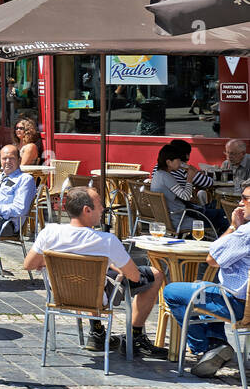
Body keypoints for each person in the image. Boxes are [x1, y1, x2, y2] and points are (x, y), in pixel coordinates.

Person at [24, 187, 164, 356]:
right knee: (155, 275)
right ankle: (135, 336)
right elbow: (134, 276)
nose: (103, 209)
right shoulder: (106, 241)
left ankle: (97, 331)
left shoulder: (50, 232)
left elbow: (28, 264)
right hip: (96, 296)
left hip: (63, 293)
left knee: (95, 275)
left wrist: (49, 261)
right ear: (87, 210)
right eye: (100, 204)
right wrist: (114, 262)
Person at [162, 182, 250, 377]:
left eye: (245, 199)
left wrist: (233, 227)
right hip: (237, 299)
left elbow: (212, 259)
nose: (241, 203)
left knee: (173, 292)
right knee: (204, 288)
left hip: (237, 306)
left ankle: (205, 347)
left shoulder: (245, 233)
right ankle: (218, 344)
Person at [151, 142, 228, 235]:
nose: (181, 163)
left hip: (171, 217)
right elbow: (186, 196)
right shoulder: (167, 177)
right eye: (178, 160)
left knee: (217, 212)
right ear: (168, 162)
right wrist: (190, 178)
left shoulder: (158, 174)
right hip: (180, 219)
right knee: (224, 216)